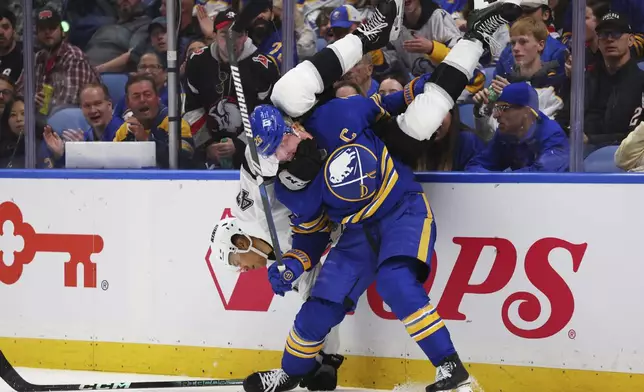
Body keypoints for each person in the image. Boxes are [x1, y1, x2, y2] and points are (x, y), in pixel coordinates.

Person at [237, 2, 522, 392]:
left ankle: (453, 372)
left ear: (292, 125)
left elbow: (383, 105)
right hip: (356, 232)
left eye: (283, 141)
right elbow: (311, 236)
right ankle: (291, 372)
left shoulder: (334, 115)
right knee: (317, 309)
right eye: (277, 153)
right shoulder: (289, 184)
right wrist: (293, 263)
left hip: (400, 206)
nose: (285, 153)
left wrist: (422, 86)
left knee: (395, 281)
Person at [182, 8, 280, 169]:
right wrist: (207, 145)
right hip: (209, 147)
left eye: (238, 34)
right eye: (224, 34)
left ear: (246, 36)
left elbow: (267, 115)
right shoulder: (198, 62)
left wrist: (240, 144)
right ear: (214, 35)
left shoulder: (262, 66)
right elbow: (193, 108)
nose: (231, 40)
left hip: (253, 152)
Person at [465, 82, 569, 172]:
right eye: (496, 109)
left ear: (527, 111)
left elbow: (542, 176)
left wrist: (500, 179)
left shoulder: (552, 135)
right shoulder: (504, 135)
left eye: (503, 108)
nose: (496, 115)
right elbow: (476, 166)